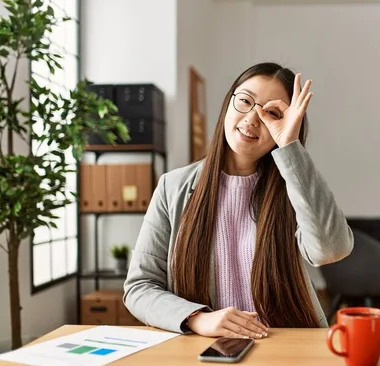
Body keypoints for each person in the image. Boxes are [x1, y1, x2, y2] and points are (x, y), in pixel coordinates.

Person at [123, 62, 354, 340]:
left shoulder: (294, 186)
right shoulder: (173, 187)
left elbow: (331, 250)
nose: (252, 119)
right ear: (228, 103)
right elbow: (140, 287)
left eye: (271, 112)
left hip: (288, 348)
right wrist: (198, 318)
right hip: (205, 350)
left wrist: (290, 147)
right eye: (245, 101)